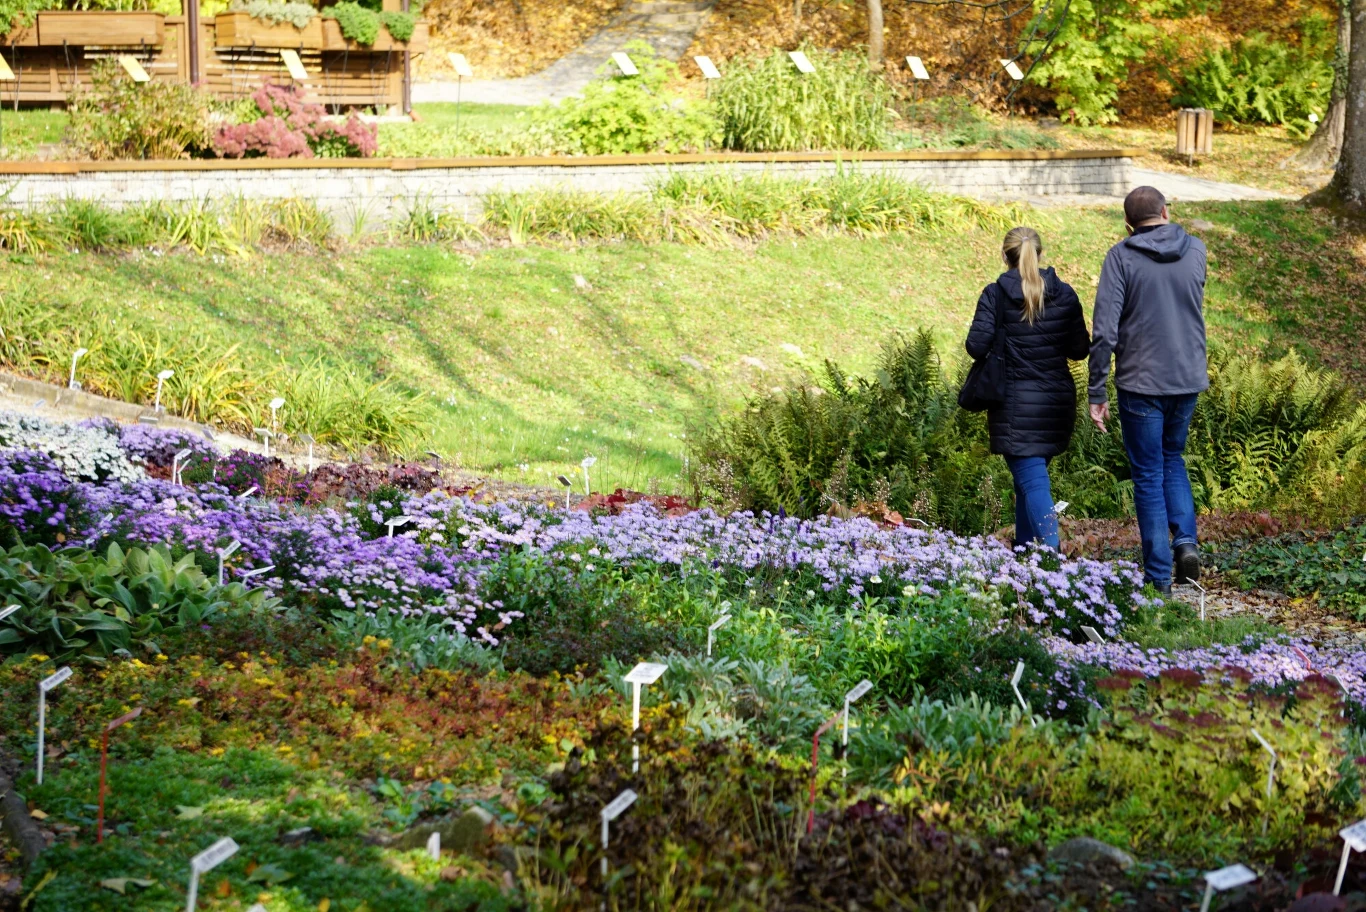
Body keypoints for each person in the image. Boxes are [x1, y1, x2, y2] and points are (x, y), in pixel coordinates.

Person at [1088, 186, 1208, 594]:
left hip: (1141, 381)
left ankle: (1158, 579)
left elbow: (1105, 331)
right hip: (1187, 376)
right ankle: (1186, 543)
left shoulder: (1120, 258)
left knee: (1147, 475)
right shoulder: (1196, 250)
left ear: (1128, 225)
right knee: (1172, 457)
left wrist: (1096, 390)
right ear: (1166, 211)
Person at [966, 226, 1090, 551]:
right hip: (1056, 402)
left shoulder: (995, 294)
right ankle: (1024, 553)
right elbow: (1079, 349)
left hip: (1014, 404)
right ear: (1039, 254)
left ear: (1004, 256)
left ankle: (1050, 555)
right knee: (1027, 481)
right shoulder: (1064, 293)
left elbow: (976, 346)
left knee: (1033, 483)